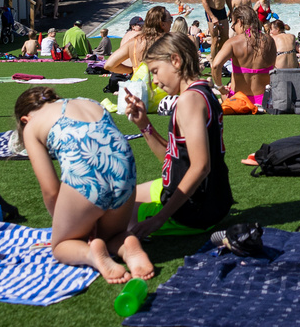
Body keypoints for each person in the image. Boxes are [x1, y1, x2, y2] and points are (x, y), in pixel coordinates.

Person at [14, 85, 152, 285]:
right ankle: (127, 244)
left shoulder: (32, 127)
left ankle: (92, 255)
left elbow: (51, 191)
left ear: (25, 120)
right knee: (111, 235)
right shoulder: (88, 102)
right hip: (124, 170)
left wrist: (65, 224)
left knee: (63, 245)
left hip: (86, 175)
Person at [126, 31, 231, 238]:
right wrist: (144, 125)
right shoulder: (201, 92)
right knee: (124, 196)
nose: (154, 80)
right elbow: (173, 158)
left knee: (110, 215)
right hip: (211, 201)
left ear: (175, 60)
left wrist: (159, 218)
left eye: (155, 71)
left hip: (194, 211)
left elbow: (201, 166)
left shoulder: (189, 100)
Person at [208, 4, 275, 108]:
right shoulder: (270, 40)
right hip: (264, 99)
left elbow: (215, 65)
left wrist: (220, 87)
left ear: (240, 22)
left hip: (239, 100)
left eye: (233, 26)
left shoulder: (233, 42)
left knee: (222, 93)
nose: (234, 30)